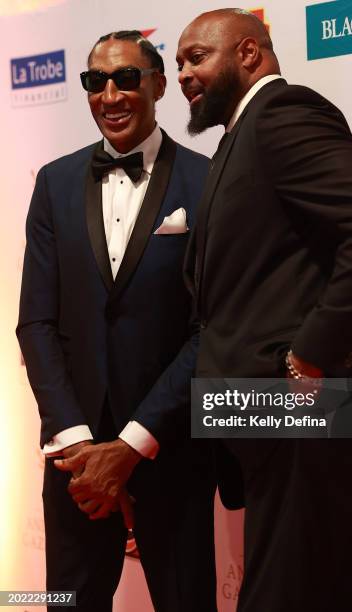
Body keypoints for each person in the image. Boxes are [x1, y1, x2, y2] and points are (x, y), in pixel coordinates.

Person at [176, 9, 352, 612]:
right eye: (179, 61)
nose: (183, 72)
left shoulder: (281, 114)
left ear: (251, 54)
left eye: (197, 56)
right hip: (274, 418)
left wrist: (311, 358)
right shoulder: (242, 133)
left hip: (312, 412)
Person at [17, 30, 216, 612]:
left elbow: (211, 327)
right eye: (95, 81)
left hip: (168, 445)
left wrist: (130, 446)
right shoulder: (53, 182)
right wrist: (80, 447)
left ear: (157, 85)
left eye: (127, 78)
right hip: (74, 457)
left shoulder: (207, 182)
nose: (111, 94)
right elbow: (36, 322)